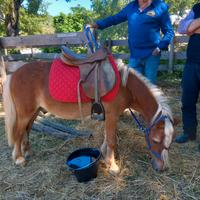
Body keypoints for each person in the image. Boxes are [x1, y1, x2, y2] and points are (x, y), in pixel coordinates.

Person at [88, 0, 174, 84]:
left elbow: (169, 31)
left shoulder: (159, 6)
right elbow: (115, 19)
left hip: (152, 54)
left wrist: (159, 48)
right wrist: (97, 24)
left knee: (150, 88)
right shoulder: (131, 7)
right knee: (133, 85)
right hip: (135, 54)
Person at [175, 3, 200, 143]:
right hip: (191, 63)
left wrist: (193, 28)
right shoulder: (197, 7)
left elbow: (190, 29)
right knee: (187, 100)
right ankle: (189, 133)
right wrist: (194, 25)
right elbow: (182, 27)